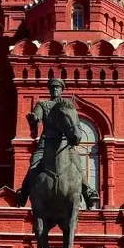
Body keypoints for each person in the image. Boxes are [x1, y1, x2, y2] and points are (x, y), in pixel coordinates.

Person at [16, 78, 100, 209]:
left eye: (57, 87)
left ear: (61, 90)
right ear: (49, 90)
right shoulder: (43, 105)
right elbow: (37, 116)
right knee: (34, 164)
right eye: (53, 87)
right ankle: (24, 192)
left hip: (64, 142)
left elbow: (75, 123)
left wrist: (75, 135)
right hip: (46, 142)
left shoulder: (67, 104)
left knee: (77, 163)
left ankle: (87, 191)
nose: (55, 89)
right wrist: (34, 118)